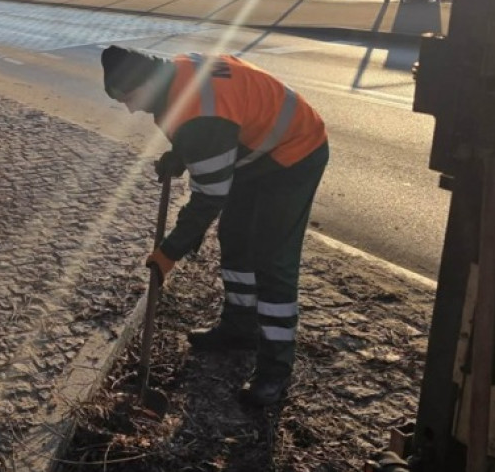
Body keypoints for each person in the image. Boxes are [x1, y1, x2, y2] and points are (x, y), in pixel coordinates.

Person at [100, 44, 329, 407]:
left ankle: (274, 371)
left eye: (128, 97)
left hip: (295, 153)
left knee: (272, 260)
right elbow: (213, 133)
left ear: (147, 82)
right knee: (234, 236)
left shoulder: (198, 114)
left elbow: (208, 197)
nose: (129, 108)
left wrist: (169, 252)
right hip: (253, 153)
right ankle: (240, 328)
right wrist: (181, 156)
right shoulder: (174, 73)